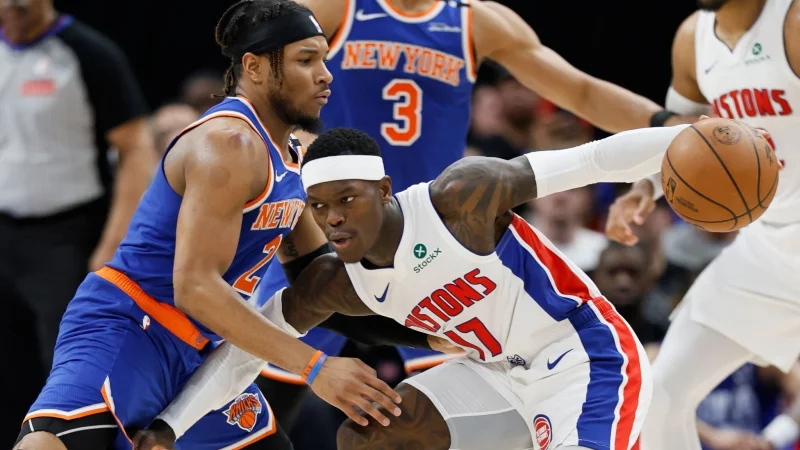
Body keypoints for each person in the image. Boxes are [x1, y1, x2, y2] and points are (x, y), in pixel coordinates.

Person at [135, 120, 761, 450]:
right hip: (494, 375)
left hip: (585, 359)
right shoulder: (339, 283)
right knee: (374, 435)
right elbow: (249, 346)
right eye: (320, 207)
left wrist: (683, 141)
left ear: (383, 191)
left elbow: (593, 160)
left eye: (348, 200)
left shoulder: (461, 198)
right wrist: (169, 426)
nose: (333, 218)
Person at [14, 2, 445, 449]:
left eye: (323, 58)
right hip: (131, 327)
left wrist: (434, 334)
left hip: (201, 350)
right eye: (305, 60)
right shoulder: (229, 144)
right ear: (255, 68)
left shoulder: (291, 156)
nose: (325, 74)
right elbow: (195, 287)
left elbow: (322, 288)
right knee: (53, 444)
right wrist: (314, 366)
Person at [257, 0, 696, 425]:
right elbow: (263, 85)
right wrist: (293, 143)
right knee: (260, 402)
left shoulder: (475, 22)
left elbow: (578, 89)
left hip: (431, 242)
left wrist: (667, 123)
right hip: (337, 235)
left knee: (430, 424)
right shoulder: (337, 9)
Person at [604, 0, 800, 449]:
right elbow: (679, 137)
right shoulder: (692, 38)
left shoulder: (792, 22)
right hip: (765, 254)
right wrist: (643, 188)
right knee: (658, 395)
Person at [0, 0, 157, 443]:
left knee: (67, 375)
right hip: (4, 233)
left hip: (66, 238)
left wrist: (112, 245)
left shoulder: (90, 53)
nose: (15, 6)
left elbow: (136, 148)